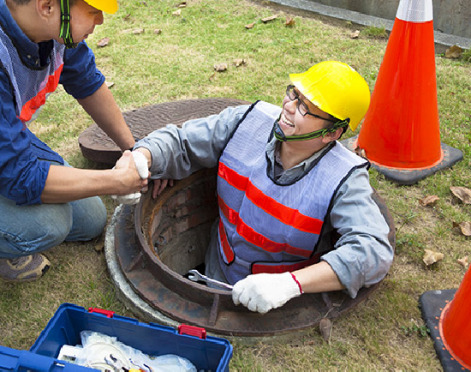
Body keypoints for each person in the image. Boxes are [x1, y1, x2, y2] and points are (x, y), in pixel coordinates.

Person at [131, 61, 394, 314]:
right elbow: (181, 140)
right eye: (294, 94)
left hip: (277, 301)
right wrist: (142, 157)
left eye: (306, 107)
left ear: (332, 133)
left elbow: (372, 252)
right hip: (217, 269)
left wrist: (291, 284)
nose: (289, 106)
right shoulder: (248, 122)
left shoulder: (344, 180)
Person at [0, 0, 148, 282]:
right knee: (49, 226)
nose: (101, 20)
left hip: (5, 139)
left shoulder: (54, 31)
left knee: (90, 218)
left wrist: (132, 148)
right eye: (93, 11)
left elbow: (86, 79)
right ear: (46, 7)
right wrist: (115, 181)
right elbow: (21, 176)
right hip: (8, 155)